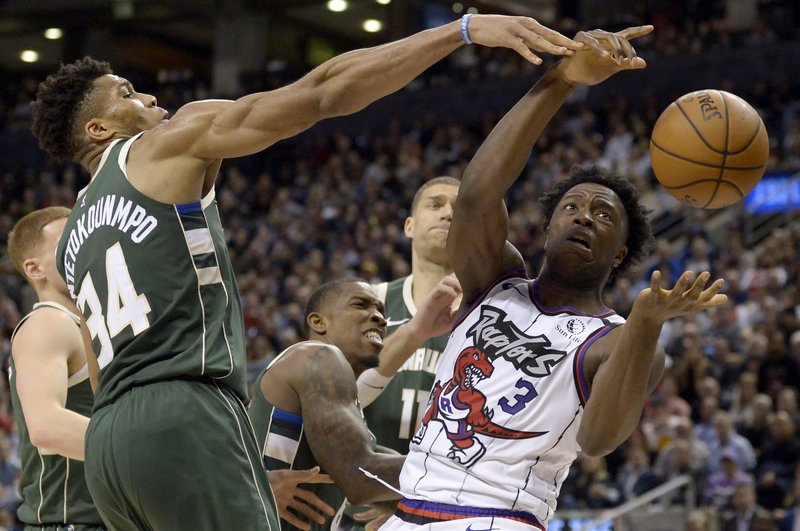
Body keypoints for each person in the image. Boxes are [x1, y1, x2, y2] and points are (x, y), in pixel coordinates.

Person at [31, 14, 585, 530]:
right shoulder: (162, 145)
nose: (149, 95)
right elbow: (322, 92)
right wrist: (460, 31)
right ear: (100, 129)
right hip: (183, 410)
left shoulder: (75, 237)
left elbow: (101, 376)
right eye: (128, 93)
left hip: (106, 448)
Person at [381, 26, 729, 530]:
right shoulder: (495, 282)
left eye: (604, 214)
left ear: (620, 255)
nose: (585, 216)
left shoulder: (617, 341)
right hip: (408, 513)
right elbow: (476, 196)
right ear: (547, 229)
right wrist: (560, 79)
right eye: (572, 206)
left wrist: (645, 323)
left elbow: (598, 440)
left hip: (495, 517)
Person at [250, 278, 406, 530]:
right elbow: (360, 476)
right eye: (361, 305)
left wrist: (407, 506)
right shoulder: (316, 356)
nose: (379, 317)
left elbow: (390, 474)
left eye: (381, 310)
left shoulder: (347, 412)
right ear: (318, 322)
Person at [7, 206, 105, 530]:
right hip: (69, 520)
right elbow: (45, 425)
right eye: (68, 241)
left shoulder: (89, 323)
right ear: (35, 269)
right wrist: (138, 448)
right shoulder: (47, 323)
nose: (83, 245)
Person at [357, 176, 462, 452]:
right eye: (435, 205)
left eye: (459, 209)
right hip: (363, 485)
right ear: (409, 226)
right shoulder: (370, 301)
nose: (448, 213)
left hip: (447, 488)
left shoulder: (490, 315)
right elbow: (336, 395)